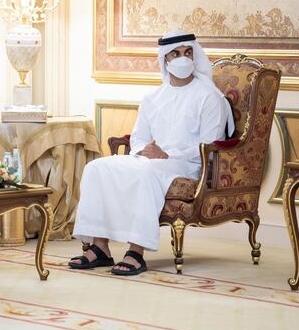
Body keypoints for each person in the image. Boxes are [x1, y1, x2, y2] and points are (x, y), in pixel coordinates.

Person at [69, 30, 234, 275]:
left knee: (147, 172)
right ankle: (100, 248)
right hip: (149, 159)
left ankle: (136, 251)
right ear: (165, 59)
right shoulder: (153, 97)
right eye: (175, 54)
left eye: (188, 52)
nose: (183, 59)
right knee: (96, 167)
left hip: (187, 164)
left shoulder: (209, 97)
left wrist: (166, 156)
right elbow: (138, 137)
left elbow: (210, 143)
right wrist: (145, 150)